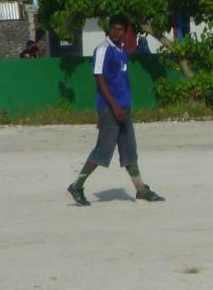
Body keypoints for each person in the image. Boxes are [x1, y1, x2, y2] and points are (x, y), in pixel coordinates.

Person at [67, 14, 164, 206]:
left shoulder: (122, 50)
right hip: (112, 108)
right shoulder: (103, 49)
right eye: (113, 29)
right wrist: (111, 108)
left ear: (125, 32)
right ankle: (76, 186)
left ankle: (141, 190)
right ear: (109, 29)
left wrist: (122, 107)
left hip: (123, 108)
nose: (116, 32)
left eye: (120, 30)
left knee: (129, 151)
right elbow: (99, 79)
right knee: (103, 150)